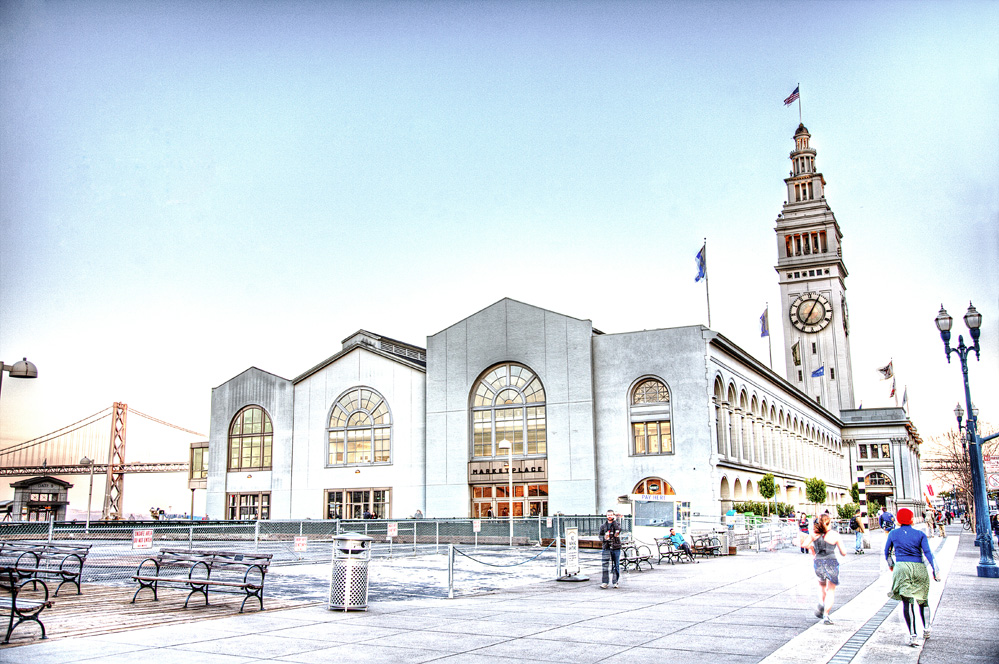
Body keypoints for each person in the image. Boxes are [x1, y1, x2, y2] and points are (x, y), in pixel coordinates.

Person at [885, 507, 938, 647]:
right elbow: (928, 553)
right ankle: (926, 628)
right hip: (919, 568)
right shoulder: (919, 534)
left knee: (907, 603)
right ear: (911, 519)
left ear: (898, 520)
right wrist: (935, 570)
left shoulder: (893, 534)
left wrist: (892, 565)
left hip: (902, 568)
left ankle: (913, 635)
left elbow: (887, 553)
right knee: (923, 599)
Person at [804, 513, 847, 624]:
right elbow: (844, 552)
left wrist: (813, 550)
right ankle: (826, 615)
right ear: (829, 522)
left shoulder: (814, 534)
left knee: (822, 586)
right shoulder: (835, 535)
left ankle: (822, 603)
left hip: (818, 562)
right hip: (831, 562)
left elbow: (805, 544)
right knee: (831, 590)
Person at [598, 509, 622, 589]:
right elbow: (600, 536)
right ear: (606, 516)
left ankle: (615, 582)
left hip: (616, 547)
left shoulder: (617, 524)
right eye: (608, 515)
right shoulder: (603, 526)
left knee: (616, 565)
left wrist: (615, 521)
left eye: (611, 515)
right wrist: (604, 538)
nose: (610, 516)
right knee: (605, 565)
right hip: (606, 547)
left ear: (613, 515)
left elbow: (618, 530)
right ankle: (605, 582)